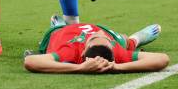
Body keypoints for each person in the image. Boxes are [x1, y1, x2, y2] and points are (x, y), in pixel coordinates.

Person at [23, 15, 168, 74]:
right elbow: (162, 59)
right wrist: (118, 66)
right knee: (122, 40)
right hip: (98, 27)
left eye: (93, 38)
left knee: (54, 31)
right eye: (103, 38)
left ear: (83, 51)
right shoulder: (116, 52)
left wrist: (78, 68)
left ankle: (58, 25)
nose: (97, 33)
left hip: (63, 33)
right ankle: (135, 39)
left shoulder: (69, 52)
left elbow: (30, 61)